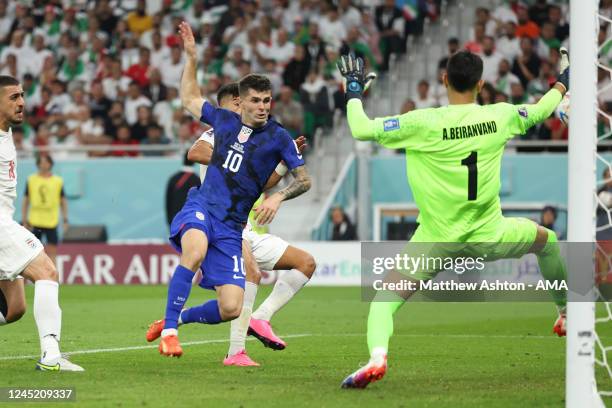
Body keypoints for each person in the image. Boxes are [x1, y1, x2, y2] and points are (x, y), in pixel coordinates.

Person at [336, 49, 570, 388]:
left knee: (383, 303)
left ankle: (377, 357)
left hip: (436, 239)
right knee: (547, 242)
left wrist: (354, 91)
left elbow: (360, 129)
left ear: (443, 79)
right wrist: (563, 84)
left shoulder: (421, 122)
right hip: (491, 233)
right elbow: (542, 109)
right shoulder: (500, 116)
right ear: (481, 84)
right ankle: (565, 312)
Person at [148, 22, 311, 358]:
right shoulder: (224, 122)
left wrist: (279, 194)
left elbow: (303, 179)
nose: (263, 106)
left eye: (267, 100)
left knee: (231, 308)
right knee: (192, 253)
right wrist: (191, 57)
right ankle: (170, 332)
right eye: (256, 100)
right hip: (203, 208)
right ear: (242, 102)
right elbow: (190, 98)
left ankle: (176, 317)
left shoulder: (278, 138)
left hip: (232, 228)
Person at [0, 75, 83, 371]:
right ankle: (51, 356)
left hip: (5, 220)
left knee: (14, 308)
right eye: (13, 98)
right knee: (47, 271)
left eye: (22, 95)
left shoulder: (7, 133)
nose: (22, 102)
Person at [21, 155, 68, 263]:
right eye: (41, 162)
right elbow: (26, 200)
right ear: (38, 164)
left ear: (50, 164)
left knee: (52, 251)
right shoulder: (31, 179)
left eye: (46, 162)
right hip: (34, 220)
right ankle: (31, 278)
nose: (43, 165)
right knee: (32, 252)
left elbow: (63, 201)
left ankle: (53, 278)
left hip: (51, 220)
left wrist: (65, 219)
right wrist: (24, 219)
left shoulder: (57, 181)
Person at [164, 152, 200, 228]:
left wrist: (169, 221)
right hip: (192, 223)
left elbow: (168, 201)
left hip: (175, 221)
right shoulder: (197, 180)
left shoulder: (173, 178)